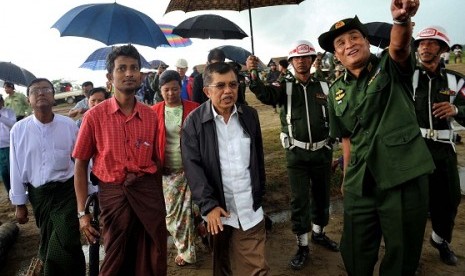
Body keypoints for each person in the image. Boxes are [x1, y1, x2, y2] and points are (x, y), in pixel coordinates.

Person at [317, 0, 435, 274]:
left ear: (367, 41)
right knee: (355, 253)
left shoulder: (390, 66)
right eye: (341, 44)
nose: (349, 45)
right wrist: (347, 177)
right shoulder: (335, 92)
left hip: (402, 175)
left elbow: (400, 46)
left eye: (354, 37)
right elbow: (345, 138)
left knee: (401, 254)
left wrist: (401, 21)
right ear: (336, 55)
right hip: (361, 180)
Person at [73, 44, 167, 275]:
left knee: (153, 251)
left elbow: (156, 161)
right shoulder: (94, 116)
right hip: (114, 195)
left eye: (134, 68)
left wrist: (159, 203)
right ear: (109, 76)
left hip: (147, 195)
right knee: (116, 255)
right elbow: (81, 163)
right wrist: (82, 214)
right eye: (121, 68)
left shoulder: (150, 116)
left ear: (141, 75)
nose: (128, 73)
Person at [247, 39, 339, 271]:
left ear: (312, 60)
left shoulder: (325, 85)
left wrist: (334, 140)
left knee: (322, 195)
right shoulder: (284, 86)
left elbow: (337, 113)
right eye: (297, 58)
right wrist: (254, 74)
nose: (301, 61)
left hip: (322, 152)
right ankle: (303, 245)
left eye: (305, 57)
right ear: (291, 62)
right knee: (299, 200)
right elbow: (267, 95)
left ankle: (319, 233)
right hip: (296, 154)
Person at [181, 62, 269, 275]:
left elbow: (257, 158)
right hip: (218, 212)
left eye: (233, 84)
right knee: (223, 266)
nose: (228, 91)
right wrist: (208, 205)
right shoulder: (193, 123)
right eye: (220, 86)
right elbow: (193, 169)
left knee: (256, 268)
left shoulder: (249, 116)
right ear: (207, 91)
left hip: (249, 208)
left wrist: (259, 192)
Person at [9, 78, 85, 275]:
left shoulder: (68, 125)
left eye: (46, 90)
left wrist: (89, 194)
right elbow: (16, 169)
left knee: (66, 236)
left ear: (53, 97)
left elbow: (81, 162)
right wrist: (19, 203)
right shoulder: (19, 130)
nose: (41, 93)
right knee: (50, 236)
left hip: (66, 193)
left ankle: (49, 271)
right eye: (35, 91)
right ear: (28, 100)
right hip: (39, 196)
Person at [413, 25, 465, 266]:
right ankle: (410, 254)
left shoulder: (456, 80)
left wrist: (456, 109)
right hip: (414, 149)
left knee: (451, 198)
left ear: (443, 48)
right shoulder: (408, 78)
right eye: (421, 43)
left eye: (431, 43)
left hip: (444, 150)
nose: (425, 46)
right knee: (414, 203)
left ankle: (440, 239)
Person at [151, 70, 200, 267]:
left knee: (194, 210)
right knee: (173, 215)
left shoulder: (194, 108)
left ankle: (188, 251)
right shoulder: (153, 111)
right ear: (160, 90)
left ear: (180, 88)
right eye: (166, 90)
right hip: (168, 172)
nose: (171, 93)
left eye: (174, 89)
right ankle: (185, 246)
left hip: (193, 169)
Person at [0, 95, 15, 194]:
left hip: (9, 145)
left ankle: (15, 191)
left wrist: (1, 117)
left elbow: (13, 125)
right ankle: (9, 191)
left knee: (12, 170)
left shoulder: (8, 111)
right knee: (3, 172)